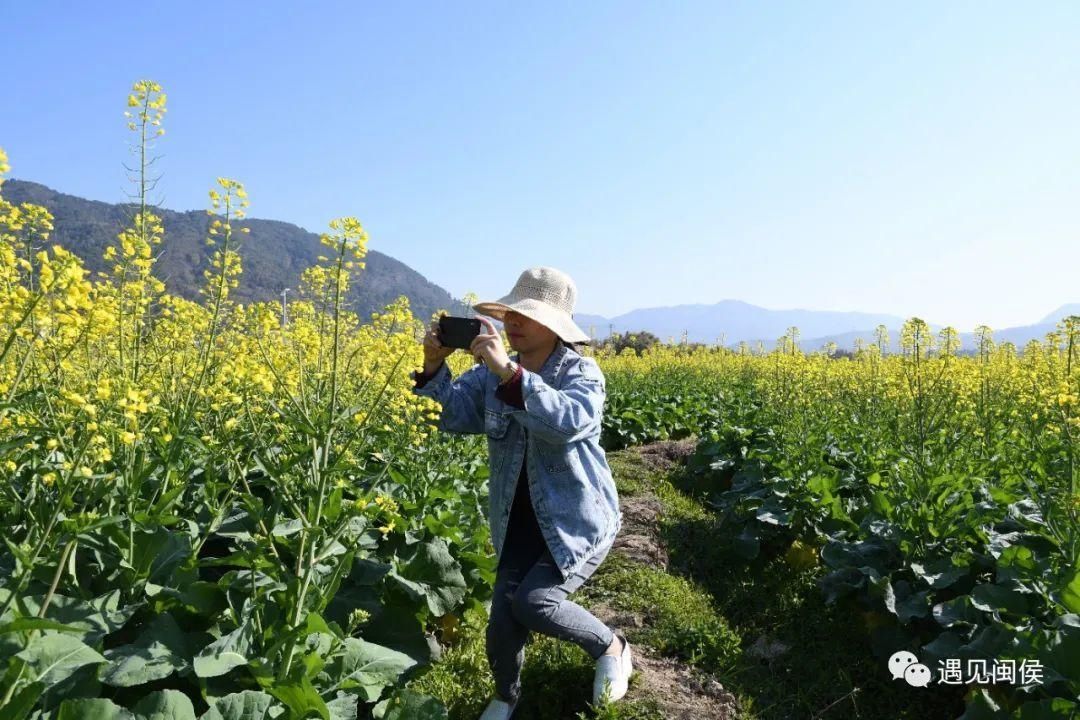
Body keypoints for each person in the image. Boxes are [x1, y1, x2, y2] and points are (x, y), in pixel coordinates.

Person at [410, 267, 632, 719]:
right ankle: (506, 696)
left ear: (553, 325)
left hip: (575, 520)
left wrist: (506, 371)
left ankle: (611, 647)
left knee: (534, 604)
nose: (513, 322)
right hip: (516, 518)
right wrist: (434, 366)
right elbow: (450, 416)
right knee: (501, 626)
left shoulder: (581, 374)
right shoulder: (488, 374)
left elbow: (565, 423)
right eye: (511, 313)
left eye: (526, 315)